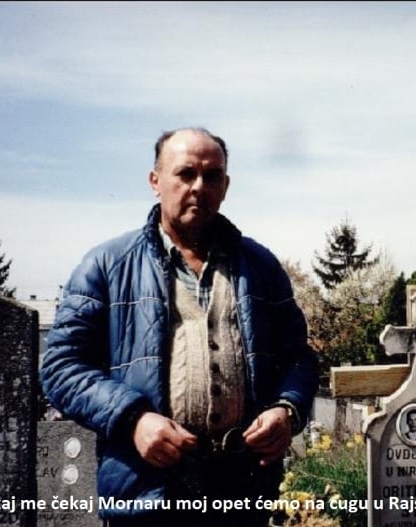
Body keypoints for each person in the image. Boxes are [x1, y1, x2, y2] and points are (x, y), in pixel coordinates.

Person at [40, 127, 319, 527]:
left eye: (212, 176)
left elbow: (298, 357)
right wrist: (133, 419)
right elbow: (60, 367)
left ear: (226, 186)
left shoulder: (261, 266)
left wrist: (286, 408)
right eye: (186, 173)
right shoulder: (106, 266)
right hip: (147, 491)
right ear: (155, 181)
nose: (199, 187)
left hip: (243, 489)